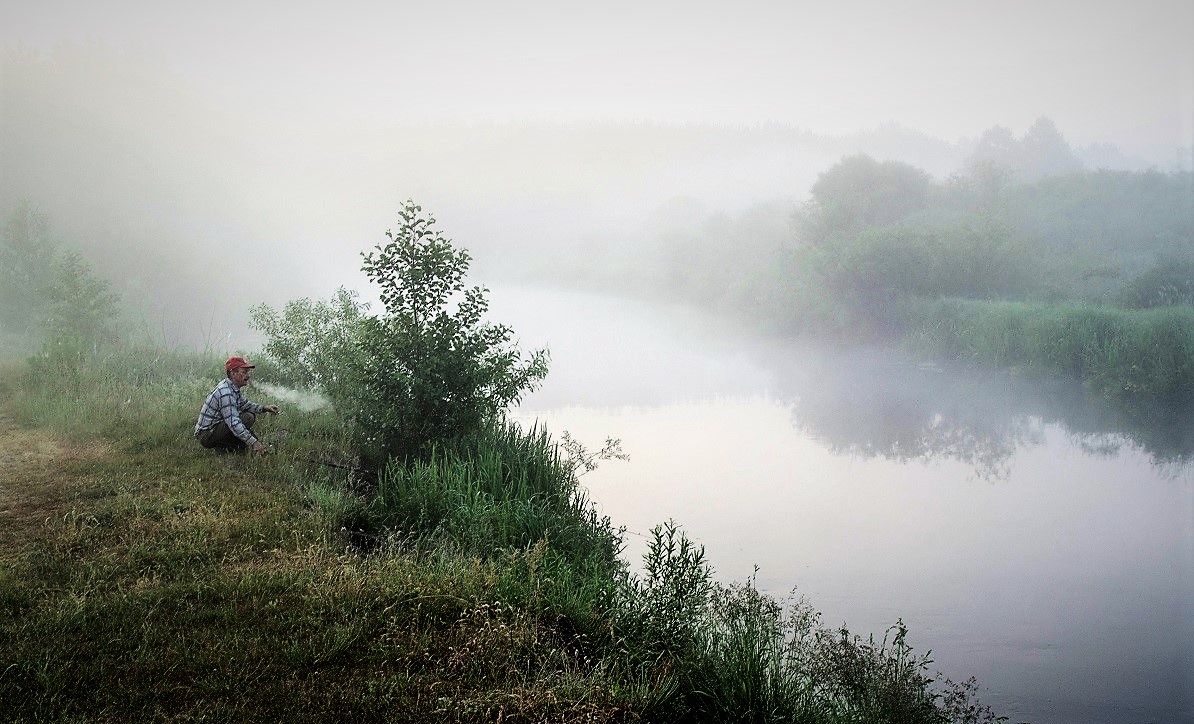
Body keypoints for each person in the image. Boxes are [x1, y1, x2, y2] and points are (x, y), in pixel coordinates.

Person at [194, 356, 280, 453]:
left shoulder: (232, 387)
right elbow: (234, 423)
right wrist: (254, 442)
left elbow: (246, 405)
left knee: (248, 416)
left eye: (248, 372)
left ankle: (228, 446)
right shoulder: (226, 393)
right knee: (244, 420)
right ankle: (224, 446)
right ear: (233, 373)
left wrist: (265, 408)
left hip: (213, 429)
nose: (248, 376)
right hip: (206, 435)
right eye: (244, 372)